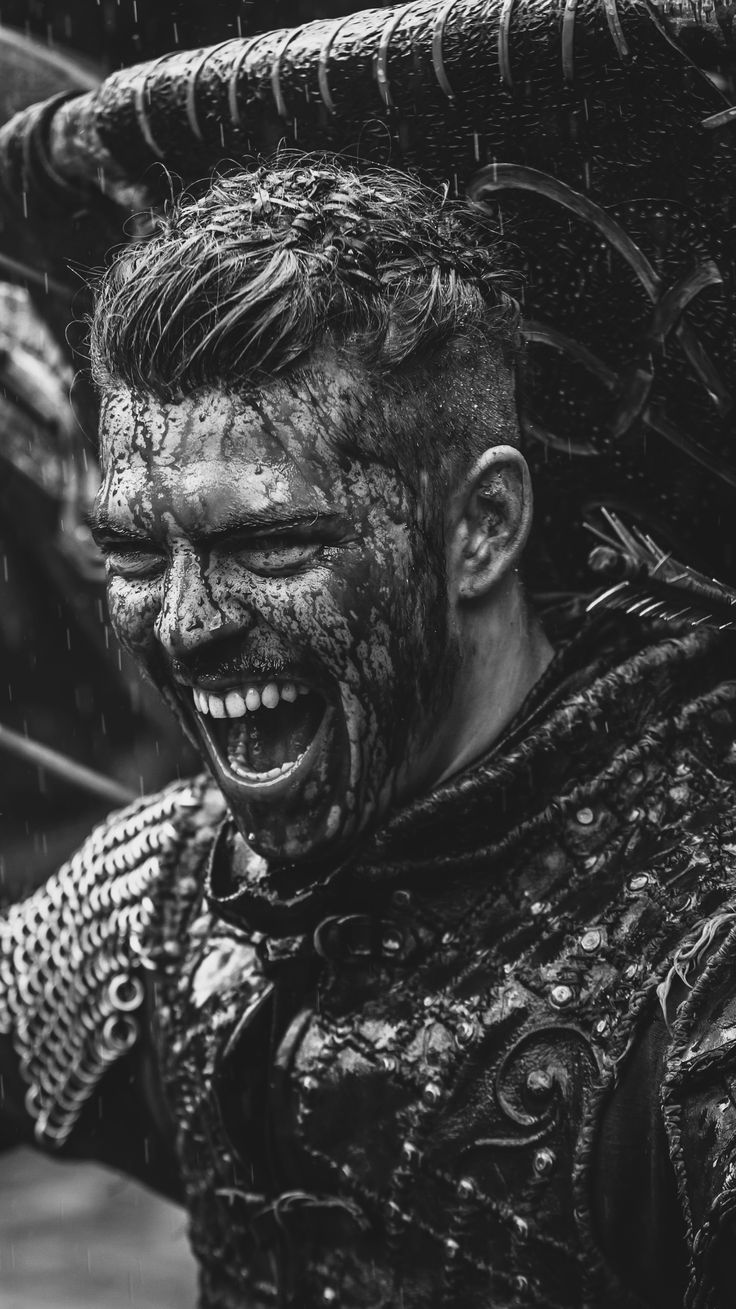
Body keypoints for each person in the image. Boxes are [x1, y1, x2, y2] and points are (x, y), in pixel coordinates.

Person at [2, 152, 736, 1309]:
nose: (185, 627)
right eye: (137, 554)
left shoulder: (699, 968)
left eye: (270, 546)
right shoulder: (168, 890)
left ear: (481, 527)